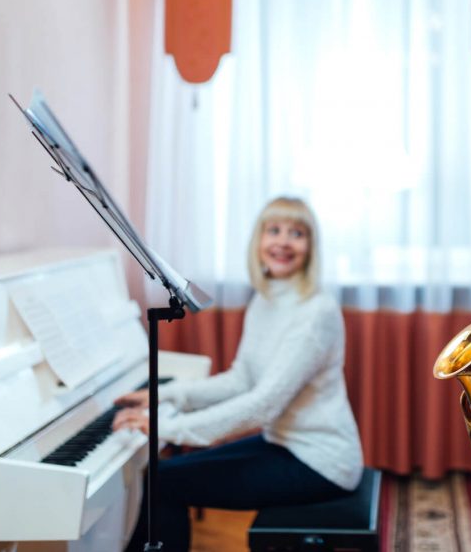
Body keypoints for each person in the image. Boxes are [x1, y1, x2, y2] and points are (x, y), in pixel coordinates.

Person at [114, 196, 364, 552]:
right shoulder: (265, 300)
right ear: (258, 241)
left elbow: (263, 405)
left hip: (321, 461)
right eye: (273, 230)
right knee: (158, 476)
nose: (282, 241)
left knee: (160, 481)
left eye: (296, 233)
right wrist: (165, 396)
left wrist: (166, 427)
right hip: (283, 443)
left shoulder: (315, 313)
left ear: (310, 247)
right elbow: (241, 379)